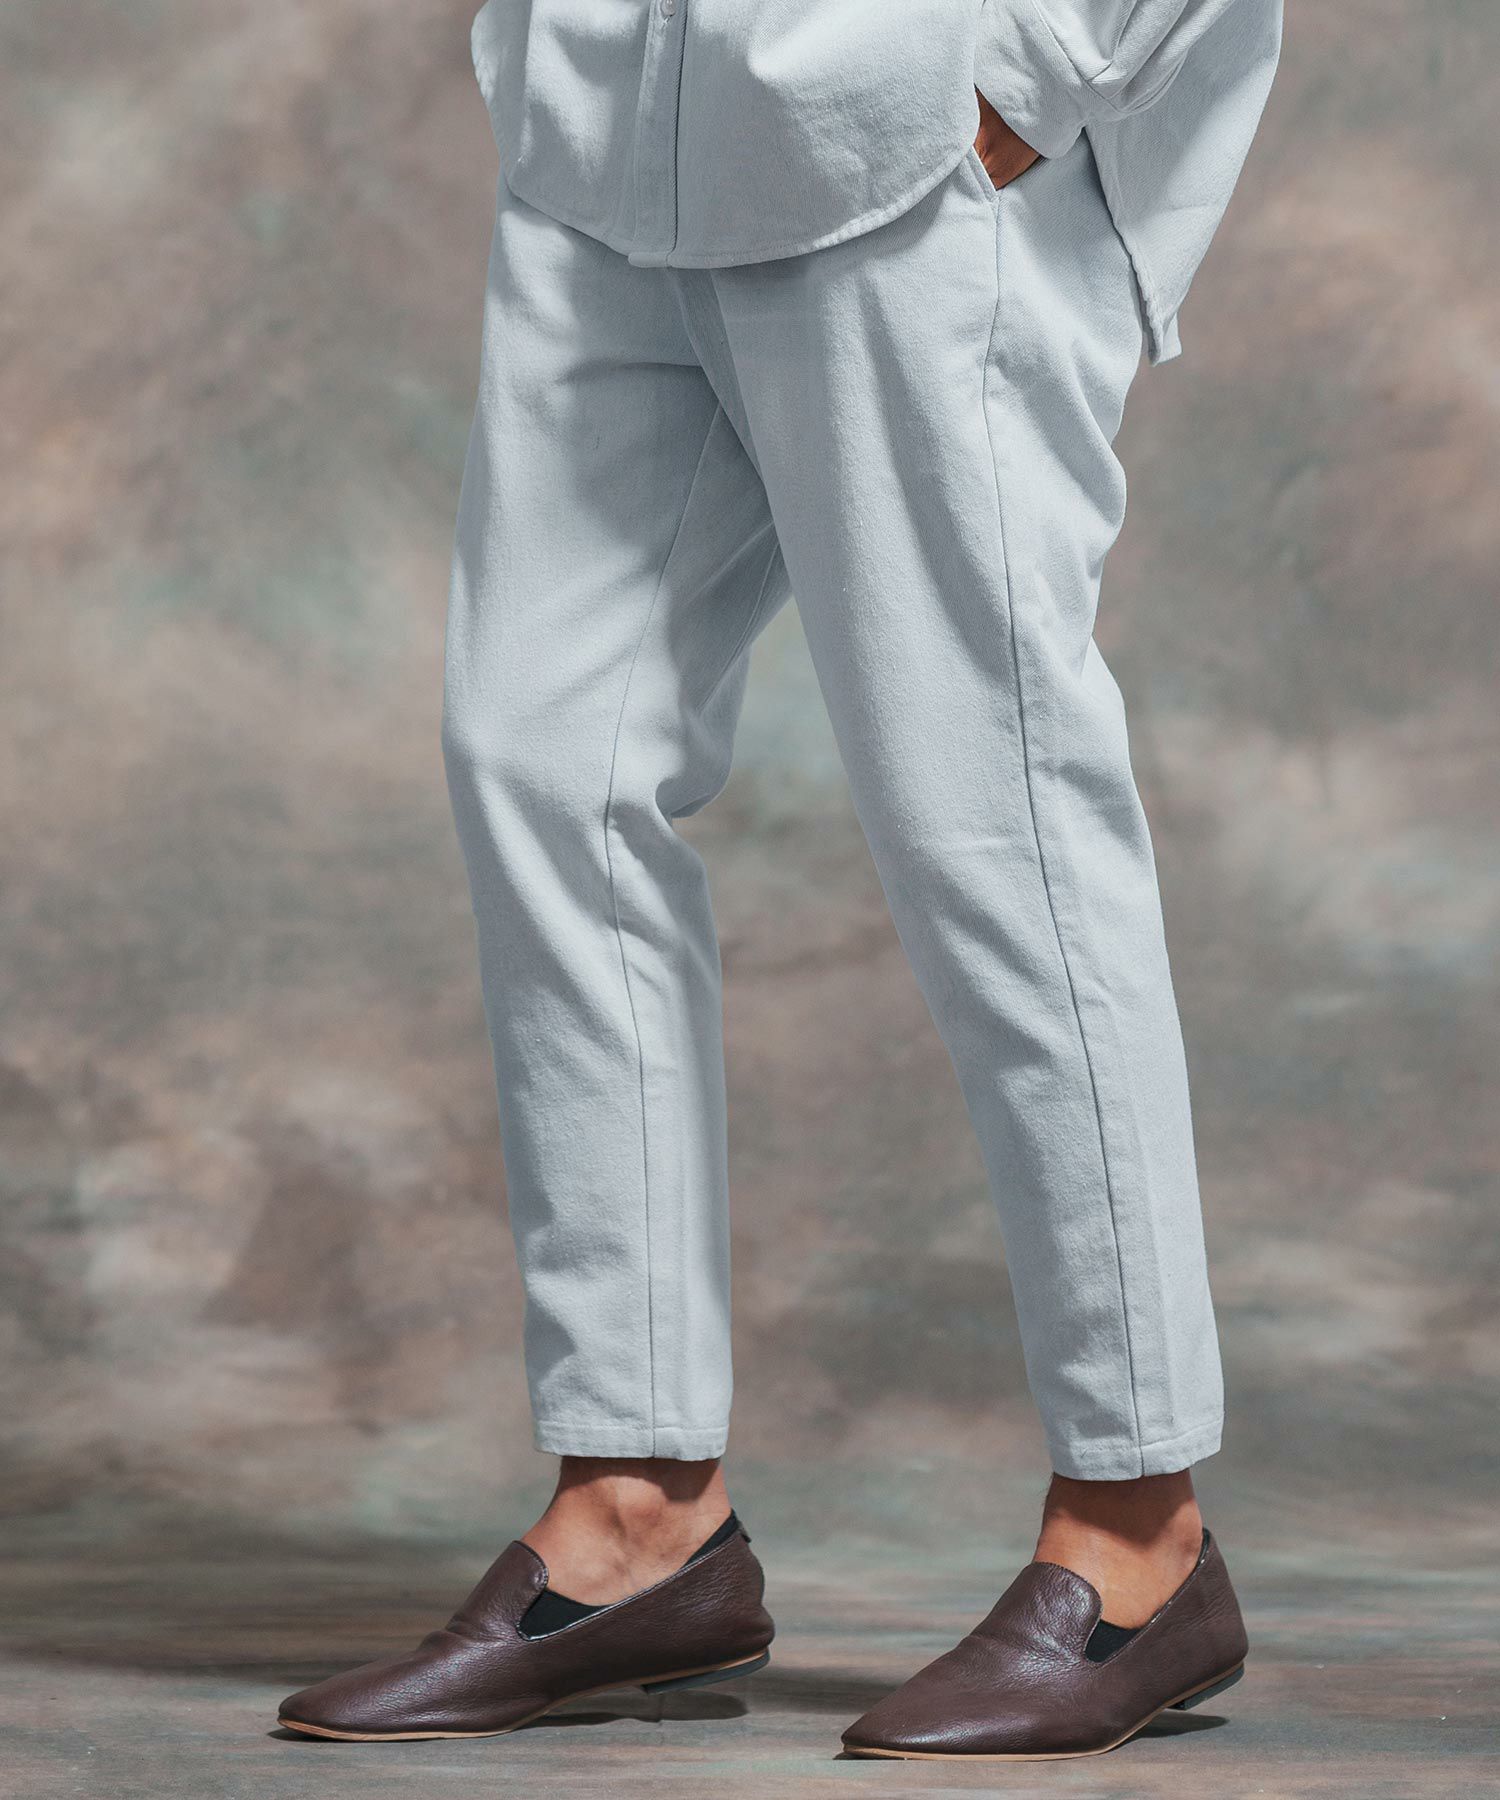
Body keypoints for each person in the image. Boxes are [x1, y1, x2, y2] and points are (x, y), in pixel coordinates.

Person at [278, 0, 1281, 1760]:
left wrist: (1040, 68)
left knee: (992, 810)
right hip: (613, 119)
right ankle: (636, 1512)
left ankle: (1139, 1537)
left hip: (906, 129)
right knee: (542, 760)